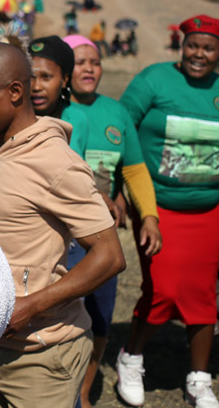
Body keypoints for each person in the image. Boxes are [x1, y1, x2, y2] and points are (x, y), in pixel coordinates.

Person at [0, 43, 126, 408]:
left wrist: (31, 306)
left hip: (43, 354)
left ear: (15, 92)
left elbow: (110, 256)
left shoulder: (56, 163)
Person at [115, 15, 219, 408]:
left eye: (209, 48)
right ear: (182, 44)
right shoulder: (153, 79)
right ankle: (131, 357)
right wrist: (120, 193)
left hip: (207, 211)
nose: (199, 54)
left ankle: (199, 379)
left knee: (201, 293)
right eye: (193, 45)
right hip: (157, 208)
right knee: (163, 289)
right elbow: (122, 129)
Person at [64, 34, 163, 407]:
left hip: (102, 238)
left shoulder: (117, 112)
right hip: (61, 238)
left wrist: (149, 215)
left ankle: (84, 392)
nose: (89, 68)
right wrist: (98, 197)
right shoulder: (51, 112)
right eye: (80, 61)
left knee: (101, 317)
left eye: (95, 61)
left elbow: (134, 170)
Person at [26, 36, 90, 157]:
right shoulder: (14, 120)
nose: (36, 87)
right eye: (31, 77)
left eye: (46, 77)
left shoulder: (77, 119)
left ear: (64, 79)